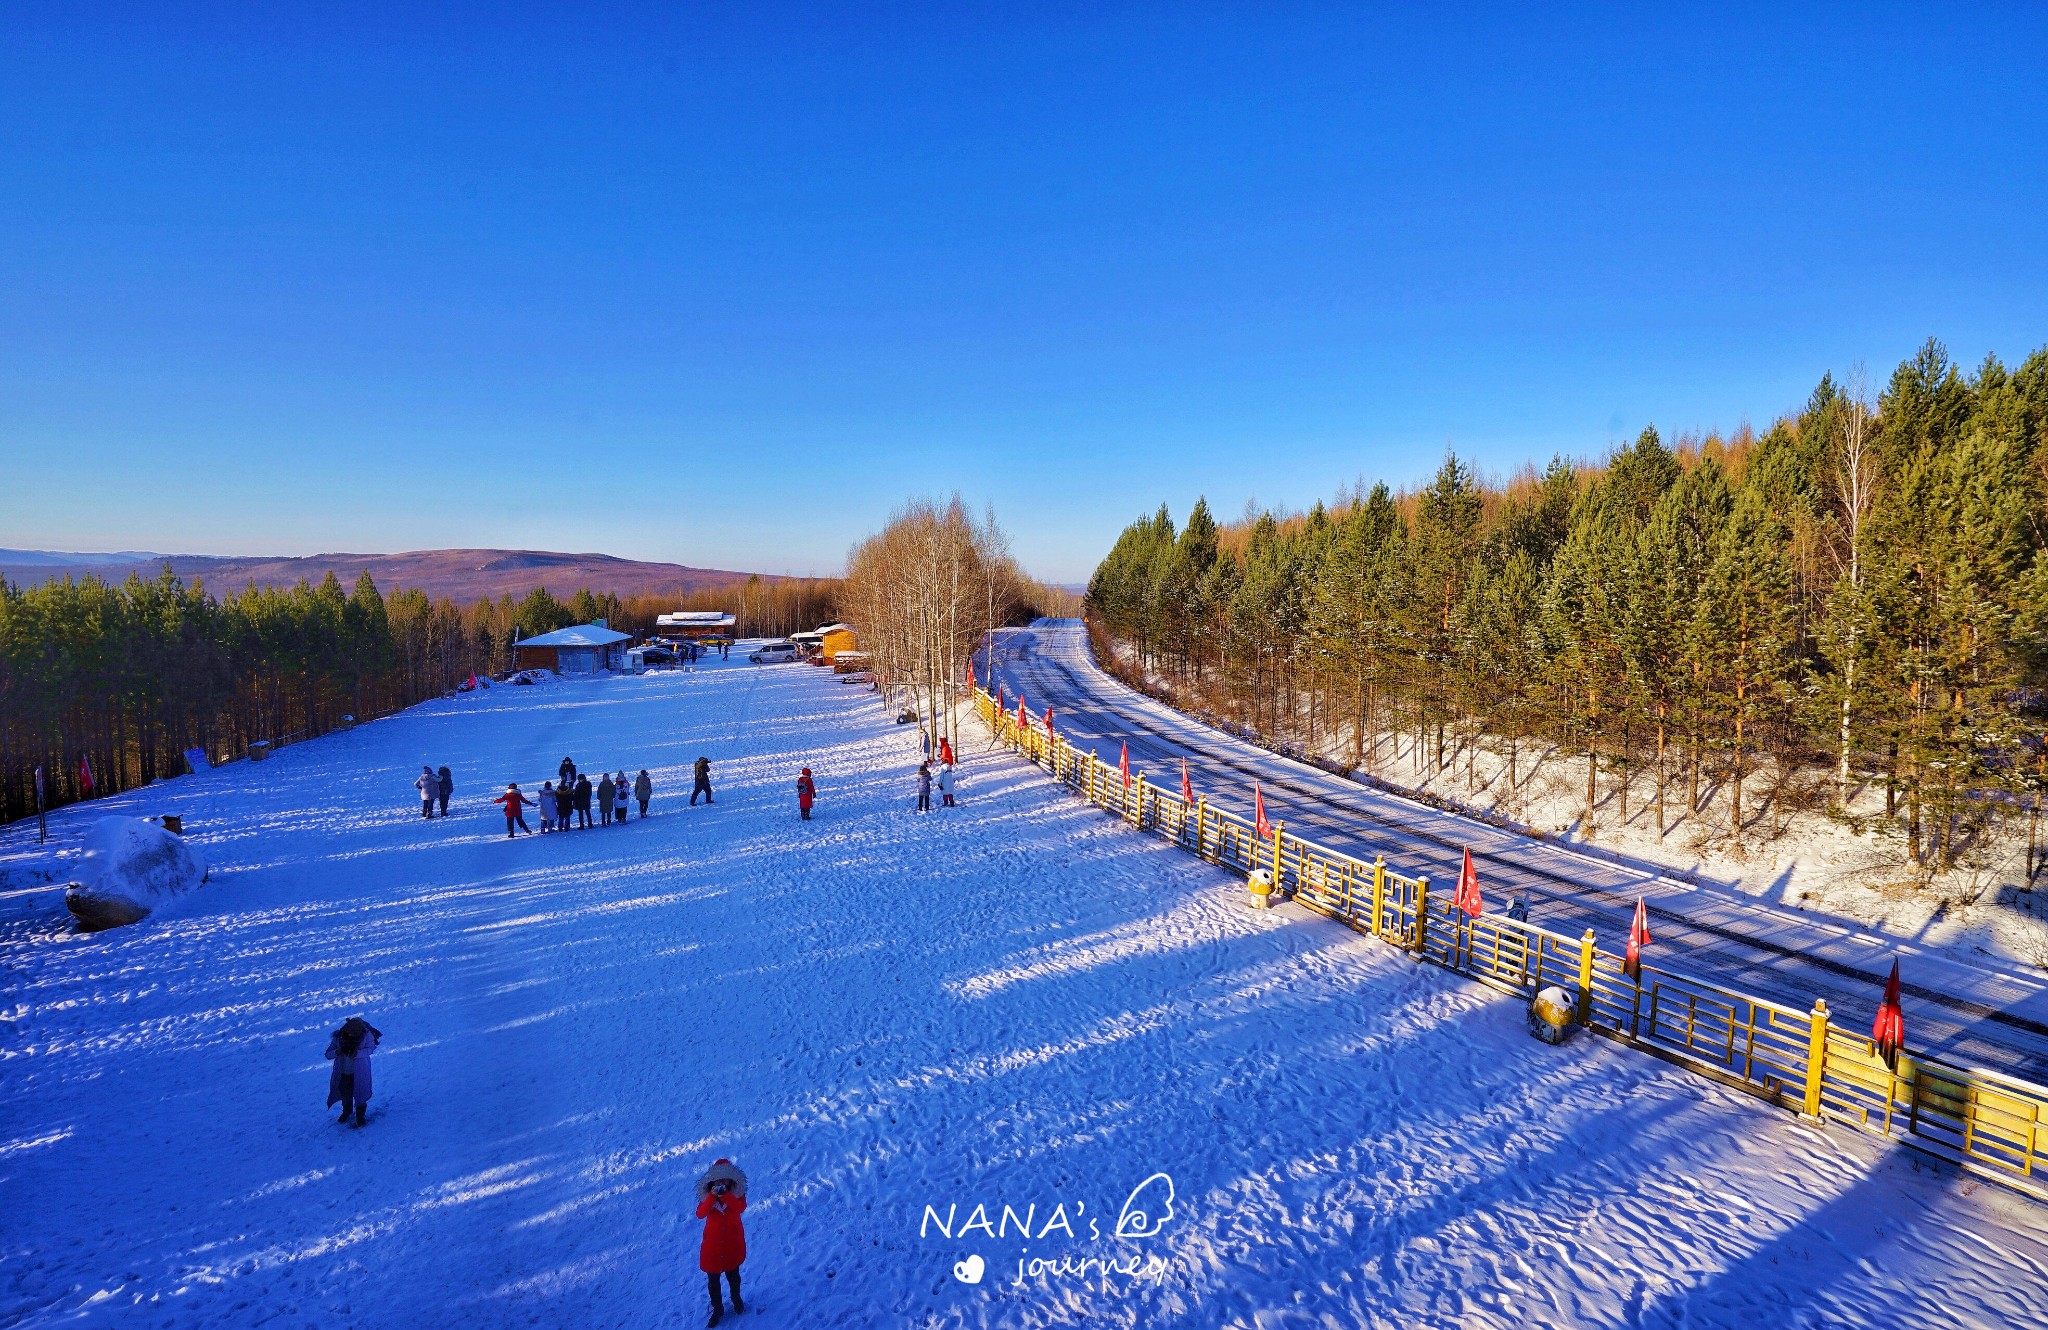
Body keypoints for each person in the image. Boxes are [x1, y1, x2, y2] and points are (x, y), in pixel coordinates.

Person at [696, 1158, 748, 1326]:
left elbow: (739, 1208)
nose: (721, 1183)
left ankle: (736, 1299)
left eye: (724, 1179)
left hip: (732, 1245)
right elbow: (700, 1213)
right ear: (711, 1182)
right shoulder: (707, 1198)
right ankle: (717, 1309)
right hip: (712, 1248)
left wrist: (725, 1196)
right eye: (717, 1180)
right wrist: (712, 1197)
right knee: (713, 1283)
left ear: (730, 1180)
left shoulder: (737, 1196)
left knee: (734, 1278)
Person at [325, 1015, 382, 1128]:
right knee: (345, 1093)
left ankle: (360, 1115)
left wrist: (357, 1054)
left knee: (360, 1093)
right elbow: (328, 1054)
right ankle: (347, 1111)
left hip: (360, 1072)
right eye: (348, 1033)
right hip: (343, 1073)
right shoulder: (339, 1037)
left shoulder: (366, 1035)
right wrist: (338, 1051)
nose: (350, 1035)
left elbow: (371, 1049)